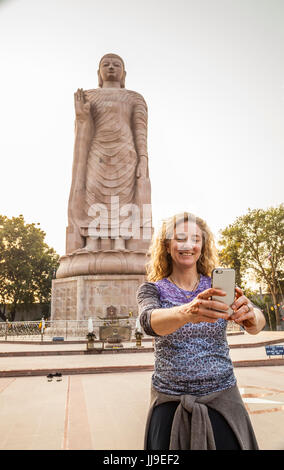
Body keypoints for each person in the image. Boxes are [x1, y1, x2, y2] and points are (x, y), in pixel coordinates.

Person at [136, 212, 266, 450]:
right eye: (180, 238)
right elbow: (148, 322)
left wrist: (250, 317)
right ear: (166, 245)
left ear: (203, 245)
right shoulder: (152, 290)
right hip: (169, 405)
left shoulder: (217, 287)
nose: (188, 245)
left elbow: (259, 321)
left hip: (223, 402)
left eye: (195, 239)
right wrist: (188, 312)